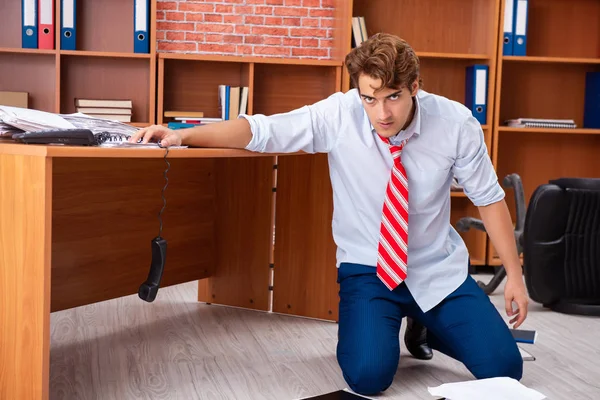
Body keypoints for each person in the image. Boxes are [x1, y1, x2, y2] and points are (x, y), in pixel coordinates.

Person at [131, 33, 529, 396]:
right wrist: (182, 134)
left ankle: (424, 321)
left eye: (393, 96)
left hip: (436, 269)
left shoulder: (456, 124)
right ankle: (392, 324)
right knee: (368, 376)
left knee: (504, 367)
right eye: (369, 98)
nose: (381, 113)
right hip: (369, 269)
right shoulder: (340, 114)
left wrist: (514, 275)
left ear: (414, 88)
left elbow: (489, 199)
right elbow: (263, 130)